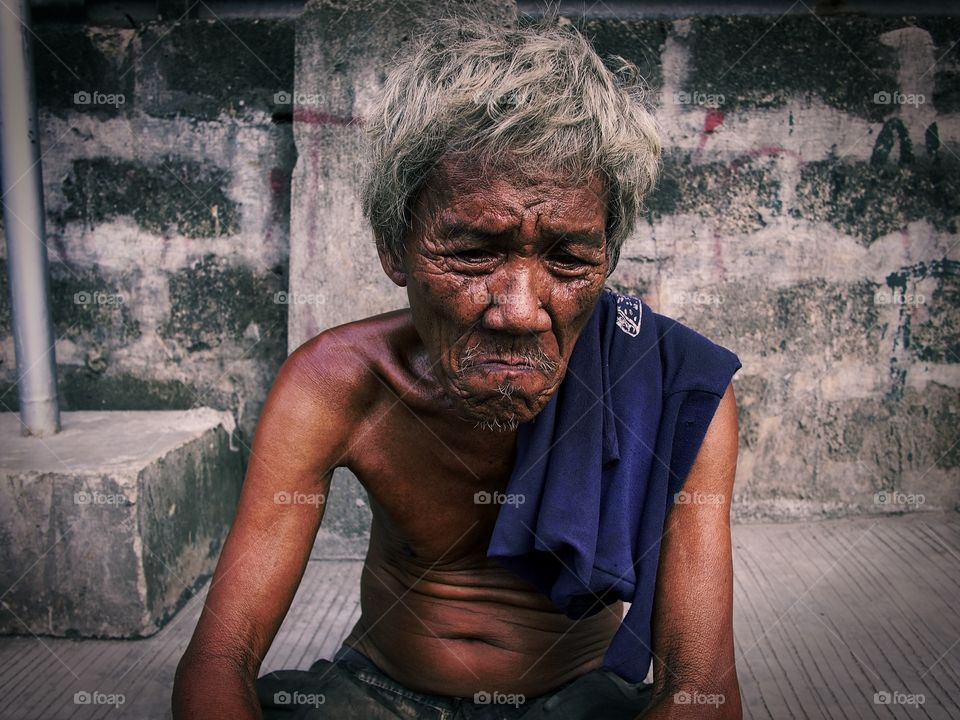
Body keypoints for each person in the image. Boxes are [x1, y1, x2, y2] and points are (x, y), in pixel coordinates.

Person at [172, 10, 743, 720]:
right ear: (394, 246)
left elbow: (702, 688)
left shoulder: (676, 390)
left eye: (568, 260)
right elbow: (218, 660)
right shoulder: (337, 385)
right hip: (377, 693)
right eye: (474, 252)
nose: (521, 310)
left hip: (579, 699)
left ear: (608, 261)